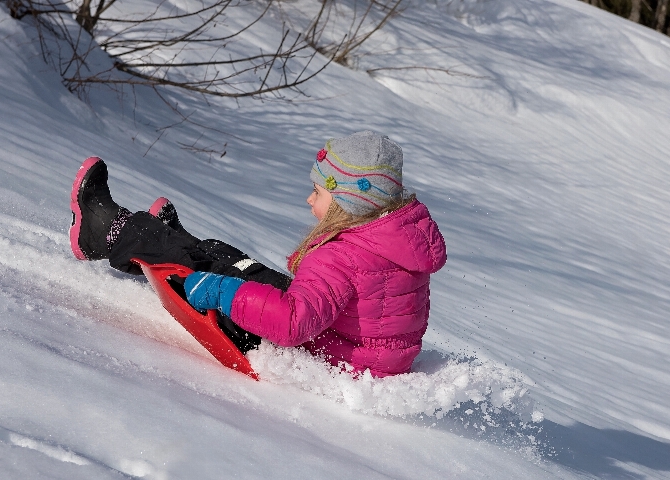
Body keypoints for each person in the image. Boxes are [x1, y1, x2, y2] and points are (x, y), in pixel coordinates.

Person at [69, 131, 447, 377]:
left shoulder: (341, 257)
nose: (309, 199)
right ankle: (173, 239)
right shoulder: (394, 242)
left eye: (318, 193)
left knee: (218, 275)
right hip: (343, 349)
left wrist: (223, 293)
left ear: (348, 203)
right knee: (229, 259)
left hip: (312, 357)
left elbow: (291, 322)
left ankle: (107, 232)